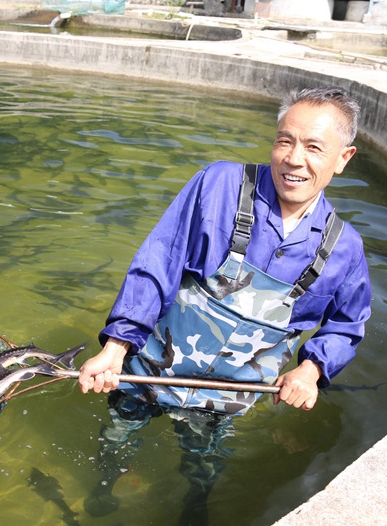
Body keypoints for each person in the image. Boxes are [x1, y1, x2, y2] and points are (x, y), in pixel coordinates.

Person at [77, 87, 371, 520]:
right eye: (285, 140)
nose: (293, 159)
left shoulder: (345, 249)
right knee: (117, 435)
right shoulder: (219, 184)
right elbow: (160, 259)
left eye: (313, 147)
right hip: (147, 370)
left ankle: (195, 506)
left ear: (343, 158)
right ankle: (103, 485)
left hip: (227, 396)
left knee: (203, 464)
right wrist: (117, 346)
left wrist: (311, 371)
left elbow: (347, 325)